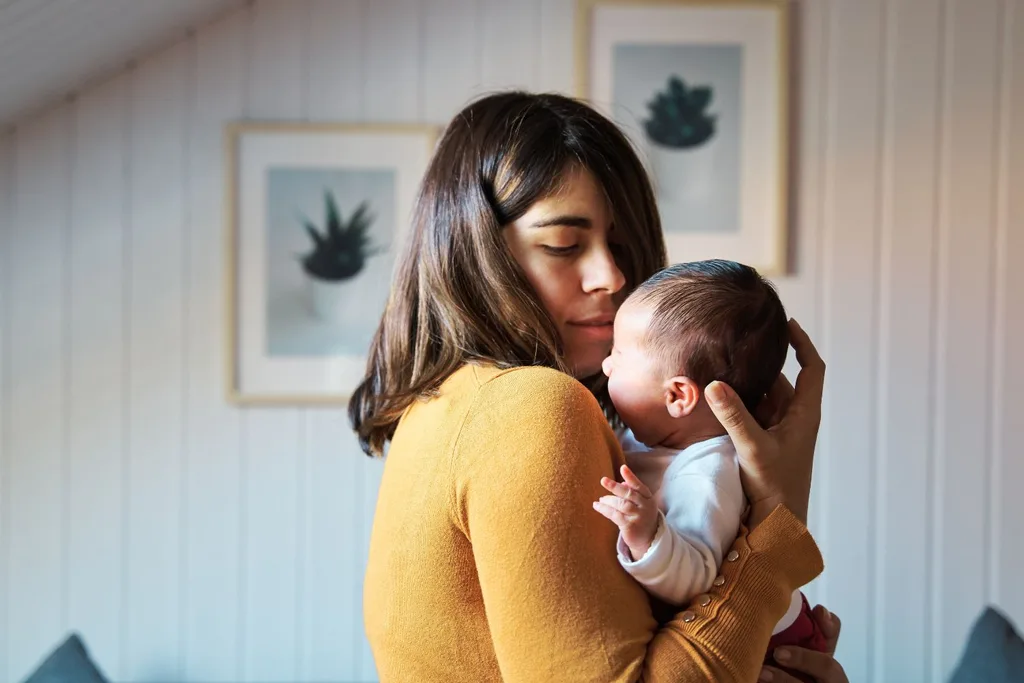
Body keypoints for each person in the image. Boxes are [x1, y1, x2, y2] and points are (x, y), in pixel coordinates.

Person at [349, 90, 848, 683]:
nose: (611, 275)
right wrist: (775, 523)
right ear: (477, 254)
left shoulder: (444, 407)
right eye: (564, 244)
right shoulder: (528, 407)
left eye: (622, 245)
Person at [594, 260, 828, 683]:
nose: (606, 366)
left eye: (618, 355)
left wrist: (648, 535)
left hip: (773, 647)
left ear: (678, 395)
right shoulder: (655, 439)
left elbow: (696, 577)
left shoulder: (707, 473)